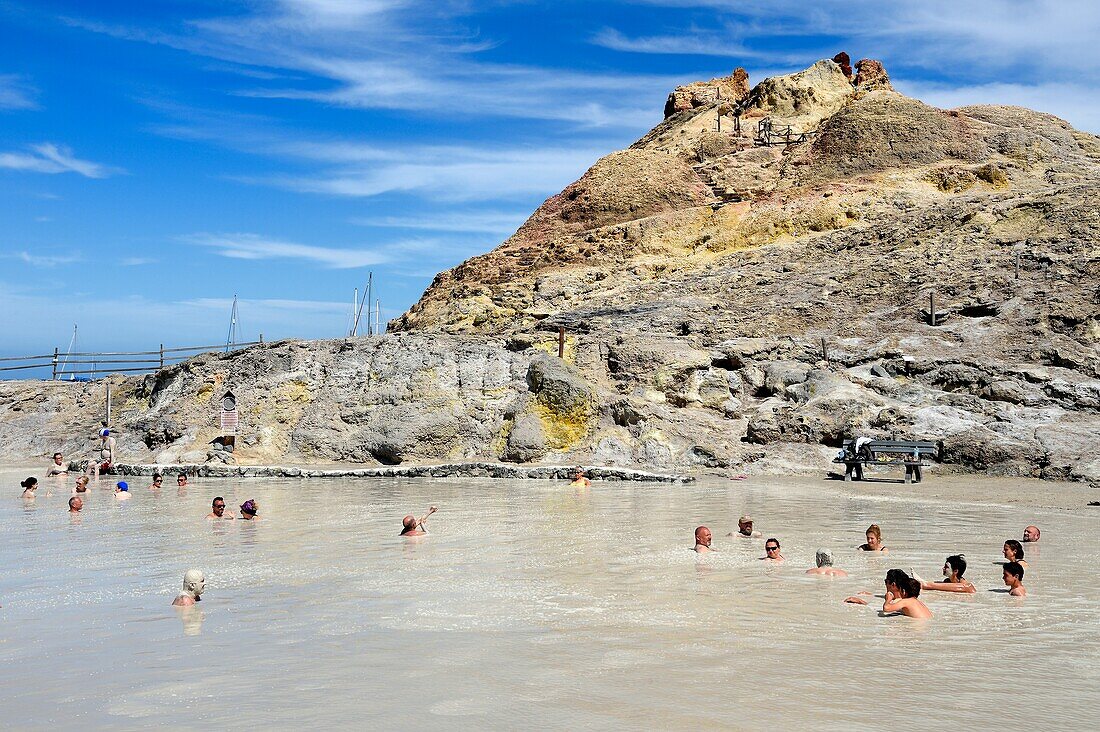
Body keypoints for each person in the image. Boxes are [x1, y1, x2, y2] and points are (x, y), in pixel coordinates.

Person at [846, 569, 932, 618]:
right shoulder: (916, 601)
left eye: (886, 581)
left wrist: (861, 602)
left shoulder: (905, 601)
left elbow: (886, 608)